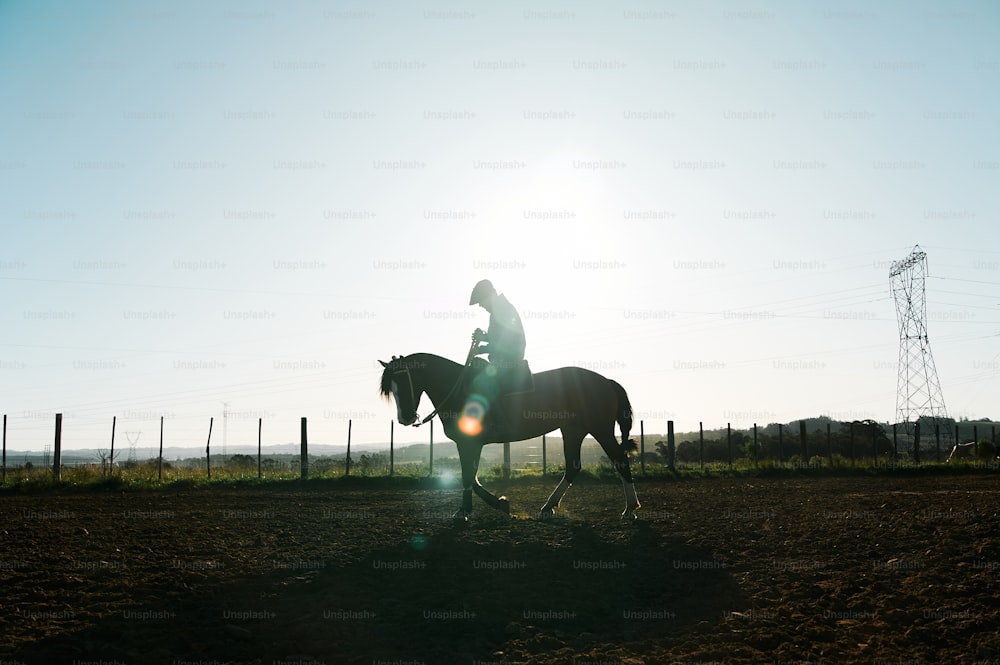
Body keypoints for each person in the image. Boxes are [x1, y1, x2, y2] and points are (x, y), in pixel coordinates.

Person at [469, 279, 526, 380]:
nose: (480, 305)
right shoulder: (498, 311)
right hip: (503, 361)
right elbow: (498, 338)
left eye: (481, 301)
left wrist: (480, 349)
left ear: (489, 296)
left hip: (508, 362)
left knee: (480, 383)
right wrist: (483, 337)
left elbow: (504, 345)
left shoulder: (503, 310)